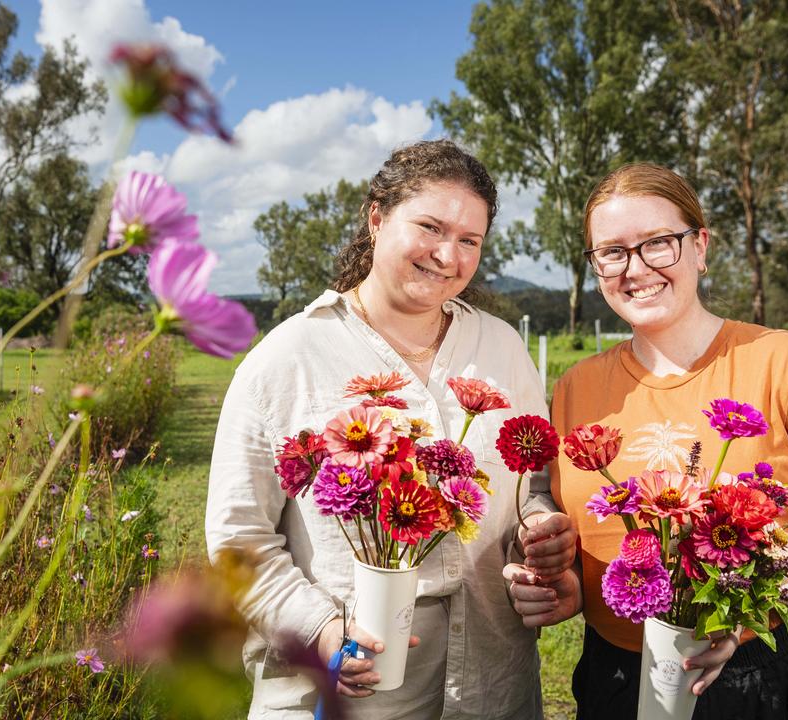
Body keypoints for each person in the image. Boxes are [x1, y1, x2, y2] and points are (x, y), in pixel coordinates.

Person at [507, 163, 788, 719]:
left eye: (659, 243)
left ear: (700, 247)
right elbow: (592, 535)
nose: (636, 268)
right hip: (621, 677)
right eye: (612, 252)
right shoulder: (577, 387)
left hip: (779, 672)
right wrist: (567, 584)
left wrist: (748, 602)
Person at [206, 139, 574, 719]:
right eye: (430, 226)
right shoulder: (288, 359)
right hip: (349, 694)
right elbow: (237, 540)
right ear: (376, 218)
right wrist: (322, 629)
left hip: (491, 688)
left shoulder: (501, 348)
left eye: (469, 241)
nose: (448, 255)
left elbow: (533, 484)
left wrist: (541, 528)